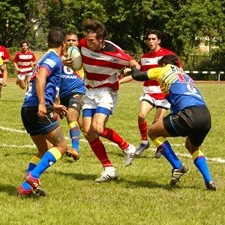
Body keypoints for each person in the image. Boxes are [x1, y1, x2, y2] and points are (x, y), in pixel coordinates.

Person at [129, 54, 217, 190]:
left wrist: (132, 66)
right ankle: (209, 180)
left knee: (152, 131)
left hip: (189, 114)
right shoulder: (185, 76)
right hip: (205, 116)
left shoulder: (163, 69)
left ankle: (177, 166)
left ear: (164, 64)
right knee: (192, 147)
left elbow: (137, 75)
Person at [79, 19, 140, 182]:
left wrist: (132, 70)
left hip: (106, 91)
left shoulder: (115, 53)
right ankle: (109, 169)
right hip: (89, 91)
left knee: (98, 128)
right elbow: (74, 55)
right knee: (88, 132)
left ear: (101, 40)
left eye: (92, 40)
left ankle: (127, 147)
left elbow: (134, 63)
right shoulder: (83, 44)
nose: (88, 42)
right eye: (87, 39)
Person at [17, 27, 68, 197]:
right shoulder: (53, 59)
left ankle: (25, 188)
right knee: (61, 146)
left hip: (27, 108)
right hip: (37, 108)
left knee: (43, 149)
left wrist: (52, 106)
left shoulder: (43, 58)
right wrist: (42, 104)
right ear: (63, 44)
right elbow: (41, 77)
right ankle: (33, 177)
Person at [120, 30, 182, 158]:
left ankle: (160, 146)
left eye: (153, 39)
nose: (151, 41)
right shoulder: (144, 58)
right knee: (141, 115)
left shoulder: (168, 55)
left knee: (156, 124)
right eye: (149, 39)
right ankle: (144, 142)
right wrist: (119, 82)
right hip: (149, 93)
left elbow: (179, 70)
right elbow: (137, 75)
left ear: (159, 40)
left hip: (163, 95)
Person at [59, 31, 86, 160]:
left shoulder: (82, 56)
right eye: (68, 40)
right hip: (61, 95)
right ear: (64, 42)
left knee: (71, 116)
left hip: (77, 91)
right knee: (83, 126)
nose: (71, 42)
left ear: (78, 42)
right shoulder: (57, 56)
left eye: (73, 40)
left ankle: (75, 148)